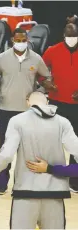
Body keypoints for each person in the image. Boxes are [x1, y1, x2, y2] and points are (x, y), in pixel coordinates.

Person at [0, 92, 78, 229]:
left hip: (25, 194)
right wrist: (55, 169)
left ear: (27, 102)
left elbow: (5, 156)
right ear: (47, 101)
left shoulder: (17, 121)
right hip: (55, 194)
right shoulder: (63, 122)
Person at [0, 27, 55, 195]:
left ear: (27, 40)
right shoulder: (2, 59)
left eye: (24, 40)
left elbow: (46, 78)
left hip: (27, 112)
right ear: (12, 40)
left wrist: (40, 92)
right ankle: (1, 184)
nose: (21, 43)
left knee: (28, 149)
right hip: (6, 108)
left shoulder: (36, 59)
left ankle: (24, 184)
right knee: (6, 148)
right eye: (18, 40)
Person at [41, 23, 78, 193]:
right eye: (69, 35)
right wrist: (45, 82)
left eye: (75, 35)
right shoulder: (52, 50)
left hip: (76, 105)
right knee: (52, 140)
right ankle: (50, 175)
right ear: (63, 35)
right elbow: (39, 71)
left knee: (76, 143)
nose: (72, 38)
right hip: (57, 102)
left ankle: (74, 181)